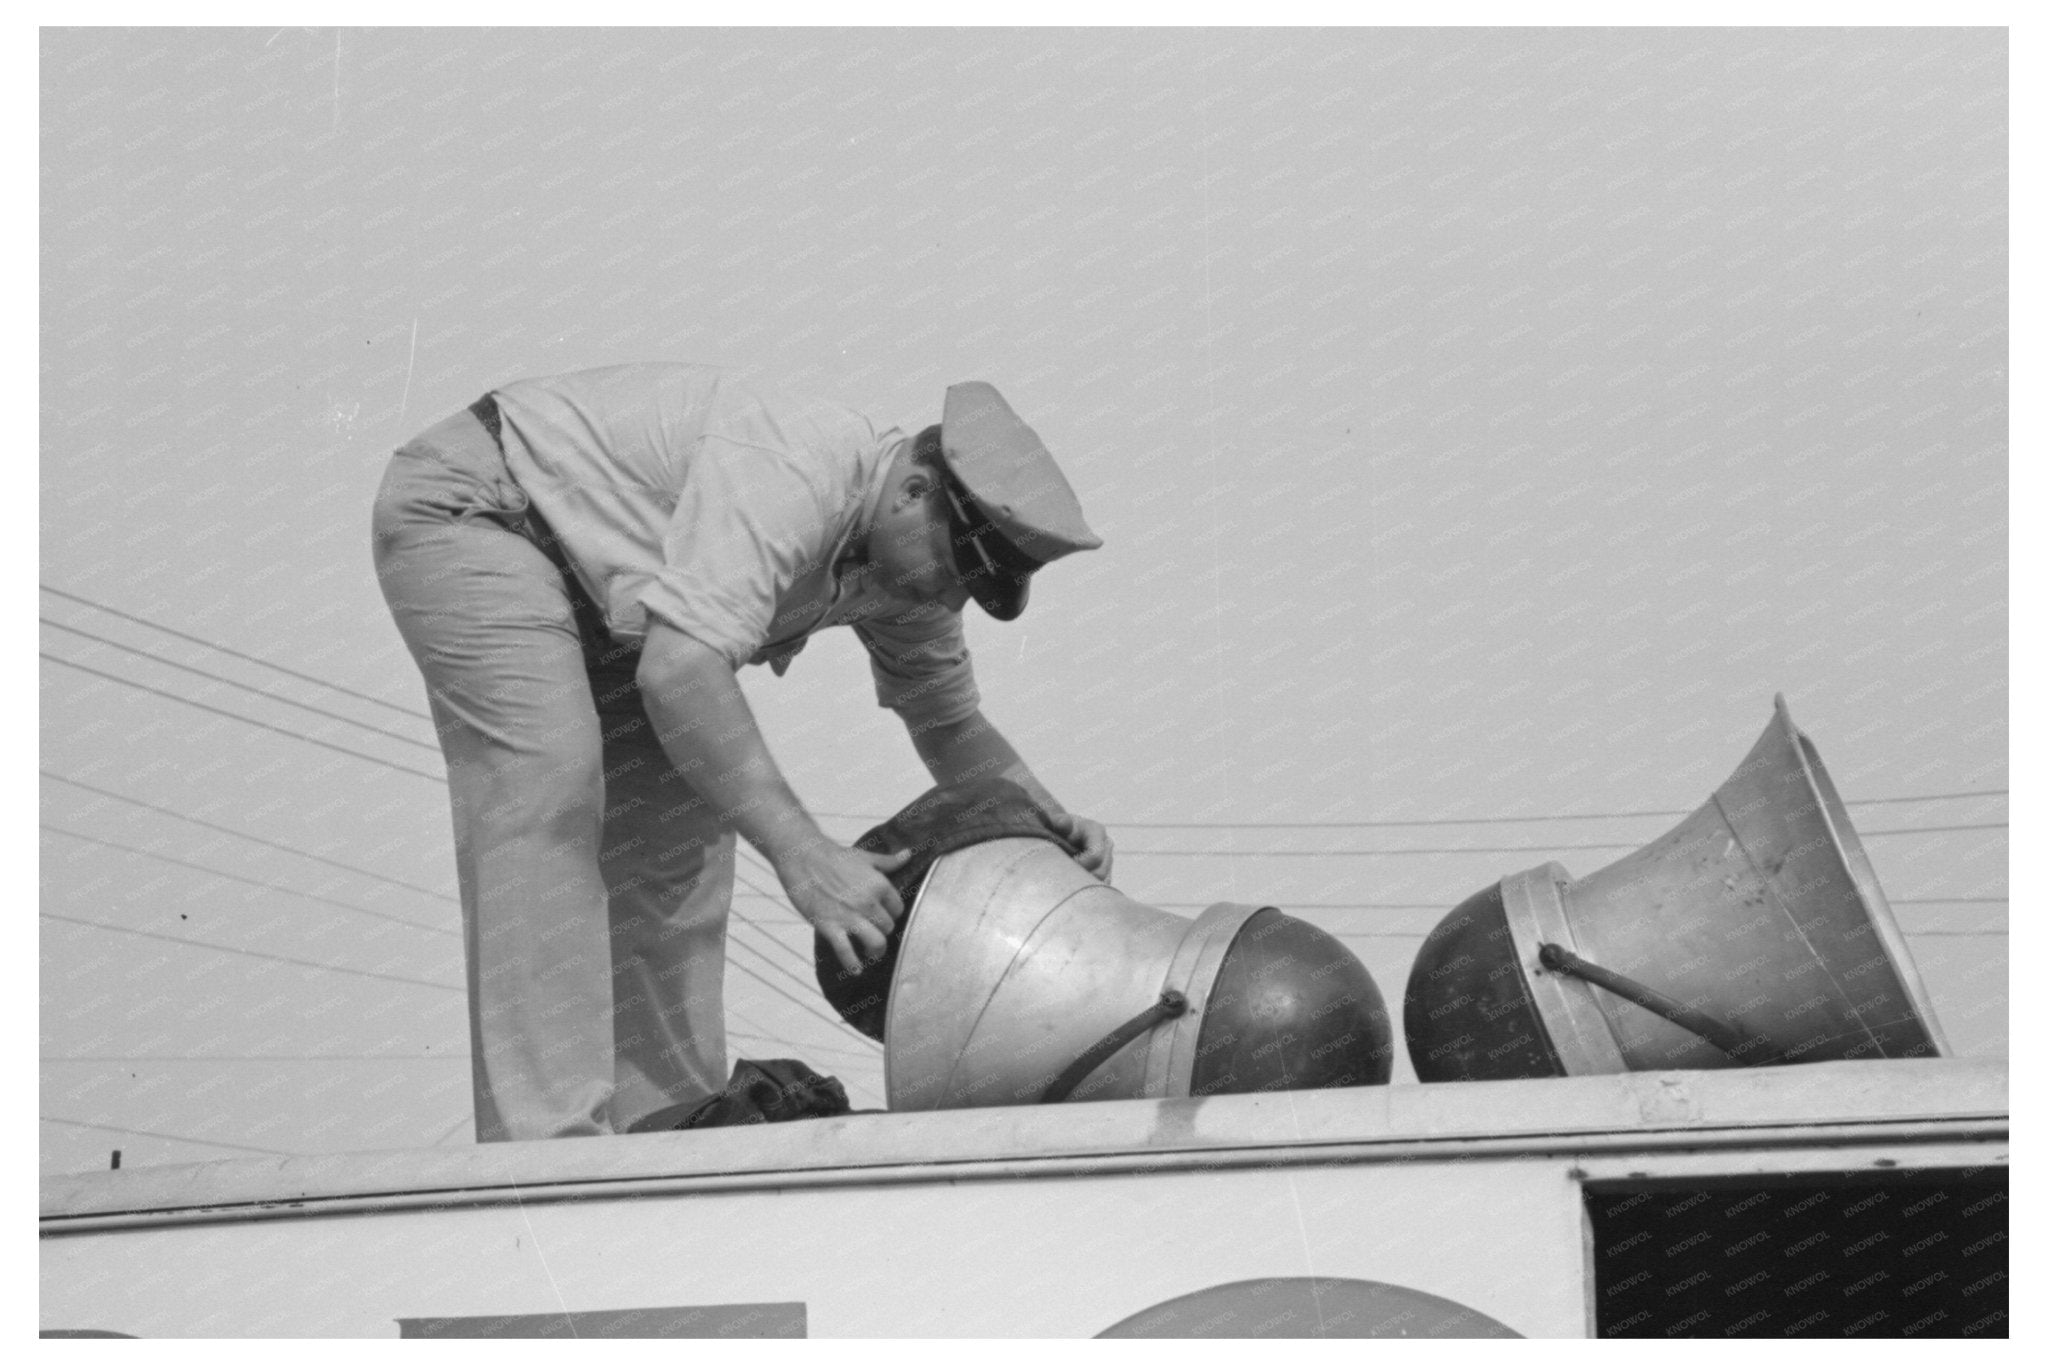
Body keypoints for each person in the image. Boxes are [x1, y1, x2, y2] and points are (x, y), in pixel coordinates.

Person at [371, 363, 1112, 1142]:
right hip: (485, 510)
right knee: (549, 781)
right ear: (916, 491)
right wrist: (805, 856)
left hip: (612, 600)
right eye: (959, 570)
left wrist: (1047, 826)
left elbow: (950, 723)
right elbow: (681, 667)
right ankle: (541, 1142)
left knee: (685, 831)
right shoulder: (797, 470)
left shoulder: (907, 564)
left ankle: (666, 1127)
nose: (953, 599)